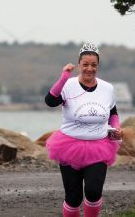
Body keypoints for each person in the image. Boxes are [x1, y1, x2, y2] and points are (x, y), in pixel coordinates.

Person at [44, 43, 122, 217]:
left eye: (93, 65)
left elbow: (113, 113)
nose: (89, 69)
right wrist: (64, 76)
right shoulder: (68, 85)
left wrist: (117, 127)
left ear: (98, 67)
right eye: (85, 64)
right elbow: (50, 101)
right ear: (79, 65)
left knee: (94, 192)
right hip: (69, 146)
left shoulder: (107, 88)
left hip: (99, 146)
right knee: (73, 197)